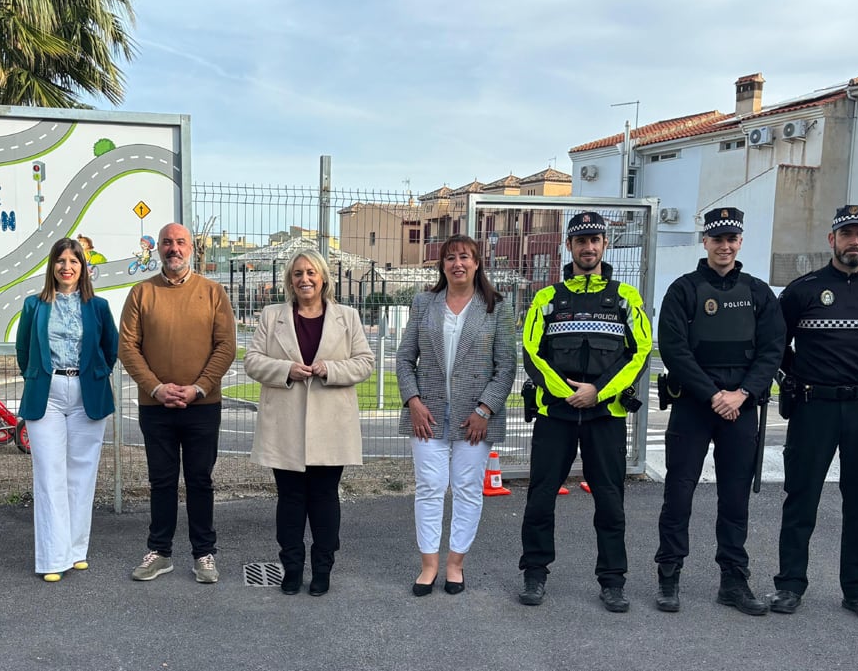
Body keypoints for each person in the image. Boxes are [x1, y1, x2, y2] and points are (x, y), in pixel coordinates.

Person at [768, 205, 858, 622]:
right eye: (846, 233)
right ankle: (790, 585)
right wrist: (796, 380)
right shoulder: (801, 291)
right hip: (814, 406)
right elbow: (778, 345)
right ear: (831, 239)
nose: (854, 241)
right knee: (801, 498)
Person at [518, 210, 652, 612]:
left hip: (604, 416)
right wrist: (566, 394)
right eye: (581, 241)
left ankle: (613, 581)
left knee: (610, 502)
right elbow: (530, 352)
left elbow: (640, 351)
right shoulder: (547, 298)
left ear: (604, 245)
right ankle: (535, 574)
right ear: (569, 246)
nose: (588, 247)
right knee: (540, 499)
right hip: (555, 415)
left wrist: (597, 392)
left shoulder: (626, 297)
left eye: (595, 240)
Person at [653, 207, 785, 615]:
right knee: (679, 493)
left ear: (740, 242)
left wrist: (742, 394)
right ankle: (669, 576)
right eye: (717, 239)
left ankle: (733, 580)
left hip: (741, 408)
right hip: (695, 405)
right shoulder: (684, 289)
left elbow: (771, 350)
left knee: (734, 499)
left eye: (731, 239)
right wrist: (714, 395)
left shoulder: (758, 292)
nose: (724, 246)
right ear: (705, 241)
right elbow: (674, 350)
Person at [244, 250, 374, 597]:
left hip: (331, 425)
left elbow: (365, 362)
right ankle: (291, 567)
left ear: (323, 278)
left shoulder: (347, 317)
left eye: (311, 273)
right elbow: (253, 361)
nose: (305, 279)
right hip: (284, 424)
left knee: (324, 498)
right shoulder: (272, 316)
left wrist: (330, 369)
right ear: (290, 280)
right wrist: (285, 369)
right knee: (289, 500)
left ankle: (322, 568)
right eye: (298, 273)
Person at [395, 235, 516, 597]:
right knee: (430, 488)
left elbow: (506, 364)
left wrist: (485, 409)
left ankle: (455, 565)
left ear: (477, 263)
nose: (457, 263)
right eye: (450, 258)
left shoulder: (497, 306)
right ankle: (429, 565)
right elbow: (404, 359)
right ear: (442, 265)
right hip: (427, 415)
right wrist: (413, 400)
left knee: (466, 490)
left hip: (475, 417)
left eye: (465, 257)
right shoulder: (424, 303)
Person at [118, 222, 236, 583]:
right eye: (167, 243)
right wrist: (155, 388)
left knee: (200, 480)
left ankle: (204, 554)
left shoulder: (214, 293)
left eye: (181, 242)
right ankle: (160, 552)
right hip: (156, 407)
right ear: (159, 250)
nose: (174, 248)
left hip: (202, 406)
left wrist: (198, 388)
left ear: (192, 249)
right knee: (162, 481)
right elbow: (127, 347)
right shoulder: (141, 293)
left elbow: (226, 347)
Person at [16, 238, 119, 582]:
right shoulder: (34, 305)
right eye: (60, 261)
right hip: (47, 393)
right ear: (52, 266)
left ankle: (75, 550)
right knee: (49, 475)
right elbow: (23, 351)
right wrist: (40, 377)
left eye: (73, 261)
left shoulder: (98, 306)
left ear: (83, 267)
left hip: (86, 392)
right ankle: (51, 557)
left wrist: (94, 374)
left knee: (81, 474)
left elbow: (110, 348)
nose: (67, 267)